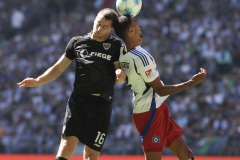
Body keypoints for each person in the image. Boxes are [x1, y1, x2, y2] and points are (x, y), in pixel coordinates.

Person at [17, 8, 126, 160]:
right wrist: (37, 81)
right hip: (78, 100)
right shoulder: (77, 42)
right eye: (98, 23)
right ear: (94, 19)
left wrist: (120, 76)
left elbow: (119, 74)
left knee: (91, 154)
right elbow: (58, 68)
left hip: (101, 104)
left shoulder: (116, 46)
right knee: (67, 145)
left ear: (111, 29)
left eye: (104, 26)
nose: (99, 28)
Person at [113, 14, 207, 160]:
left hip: (157, 109)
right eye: (135, 24)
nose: (139, 25)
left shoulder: (122, 52)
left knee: (187, 155)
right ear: (130, 31)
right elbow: (160, 90)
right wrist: (192, 82)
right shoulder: (142, 57)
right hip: (149, 113)